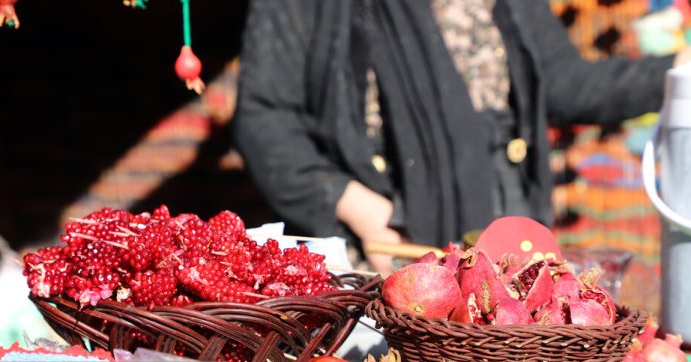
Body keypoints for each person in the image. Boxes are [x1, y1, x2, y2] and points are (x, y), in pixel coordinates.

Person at [233, 0, 691, 275]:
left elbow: (563, 83)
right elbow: (264, 118)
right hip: (386, 234)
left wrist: (677, 71)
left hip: (500, 223)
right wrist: (361, 211)